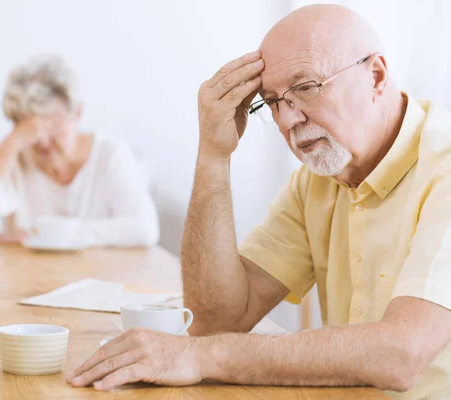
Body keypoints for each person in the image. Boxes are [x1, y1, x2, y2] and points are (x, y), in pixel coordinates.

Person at [66, 4, 451, 399]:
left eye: (305, 88)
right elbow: (216, 320)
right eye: (271, 101)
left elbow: (401, 353)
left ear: (376, 76)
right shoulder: (314, 184)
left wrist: (200, 357)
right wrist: (215, 155)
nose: (286, 120)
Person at [0, 56, 159, 248]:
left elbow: (144, 229)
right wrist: (14, 141)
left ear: (77, 112)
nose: (42, 141)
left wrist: (59, 234)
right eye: (30, 130)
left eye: (52, 125)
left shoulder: (110, 155)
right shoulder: (9, 156)